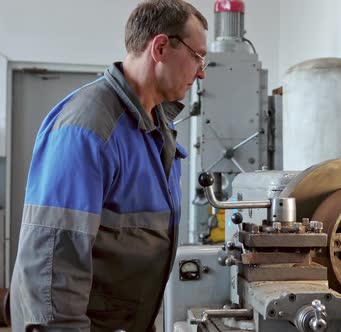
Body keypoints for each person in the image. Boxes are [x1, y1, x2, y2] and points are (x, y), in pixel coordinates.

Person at [9, 0, 208, 331]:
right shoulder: (88, 128)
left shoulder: (155, 129)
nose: (201, 71)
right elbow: (51, 271)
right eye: (198, 56)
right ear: (160, 47)